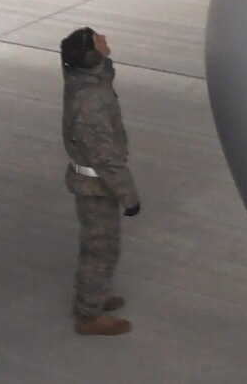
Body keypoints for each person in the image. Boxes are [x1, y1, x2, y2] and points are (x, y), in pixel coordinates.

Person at [61, 27, 141, 336]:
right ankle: (88, 315)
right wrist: (129, 196)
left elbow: (100, 70)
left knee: (98, 245)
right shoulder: (90, 102)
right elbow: (105, 158)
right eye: (98, 39)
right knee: (101, 248)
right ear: (92, 57)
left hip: (94, 183)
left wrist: (98, 58)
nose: (105, 37)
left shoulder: (87, 77)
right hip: (97, 188)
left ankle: (90, 297)